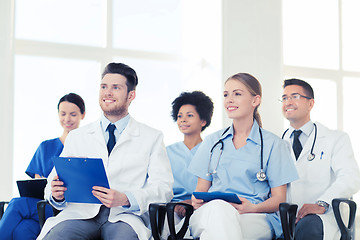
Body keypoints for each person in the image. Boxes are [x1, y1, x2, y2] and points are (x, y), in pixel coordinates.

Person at [37, 62, 173, 240]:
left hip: (124, 217)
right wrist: (56, 194)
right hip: (80, 214)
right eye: (104, 87)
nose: (107, 93)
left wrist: (126, 198)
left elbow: (164, 188)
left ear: (131, 95)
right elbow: (51, 185)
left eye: (115, 87)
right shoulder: (78, 136)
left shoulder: (151, 137)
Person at [187, 73, 299, 240]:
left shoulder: (274, 145)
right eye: (226, 95)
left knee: (212, 233)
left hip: (255, 216)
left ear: (255, 101)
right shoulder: (212, 142)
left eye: (237, 94)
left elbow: (279, 199)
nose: (229, 100)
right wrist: (196, 201)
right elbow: (200, 191)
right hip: (210, 211)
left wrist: (252, 207)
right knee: (218, 211)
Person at [281, 78, 360, 240]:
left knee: (308, 228)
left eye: (294, 96)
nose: (288, 102)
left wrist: (322, 203)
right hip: (287, 217)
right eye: (284, 98)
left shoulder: (336, 138)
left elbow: (350, 177)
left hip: (324, 217)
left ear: (311, 104)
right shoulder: (278, 144)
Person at [0, 93, 86, 240]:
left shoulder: (86, 147)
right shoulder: (45, 147)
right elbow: (37, 184)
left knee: (16, 204)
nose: (67, 119)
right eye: (63, 114)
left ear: (82, 115)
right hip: (42, 206)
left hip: (67, 209)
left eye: (73, 114)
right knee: (23, 229)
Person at [166, 91, 213, 227]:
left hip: (202, 206)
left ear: (203, 121)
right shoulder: (167, 152)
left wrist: (192, 202)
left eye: (190, 115)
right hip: (172, 208)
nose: (183, 120)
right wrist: (175, 205)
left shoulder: (212, 151)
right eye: (180, 116)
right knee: (167, 228)